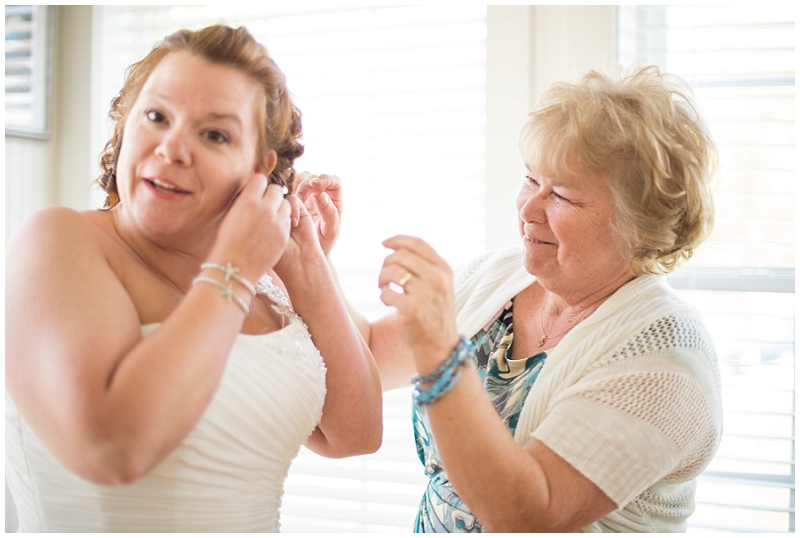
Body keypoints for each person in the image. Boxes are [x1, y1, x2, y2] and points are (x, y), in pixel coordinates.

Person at [300, 66, 723, 532]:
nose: (527, 208)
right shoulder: (499, 277)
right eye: (530, 180)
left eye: (561, 195)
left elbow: (524, 514)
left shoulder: (666, 357)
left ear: (639, 229)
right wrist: (312, 260)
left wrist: (442, 351)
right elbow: (371, 355)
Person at [5, 24, 382, 532]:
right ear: (126, 126)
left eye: (214, 134)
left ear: (260, 168)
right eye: (157, 117)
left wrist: (307, 266)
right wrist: (234, 269)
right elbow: (112, 449)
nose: (172, 148)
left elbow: (355, 434)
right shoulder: (60, 242)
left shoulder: (266, 285)